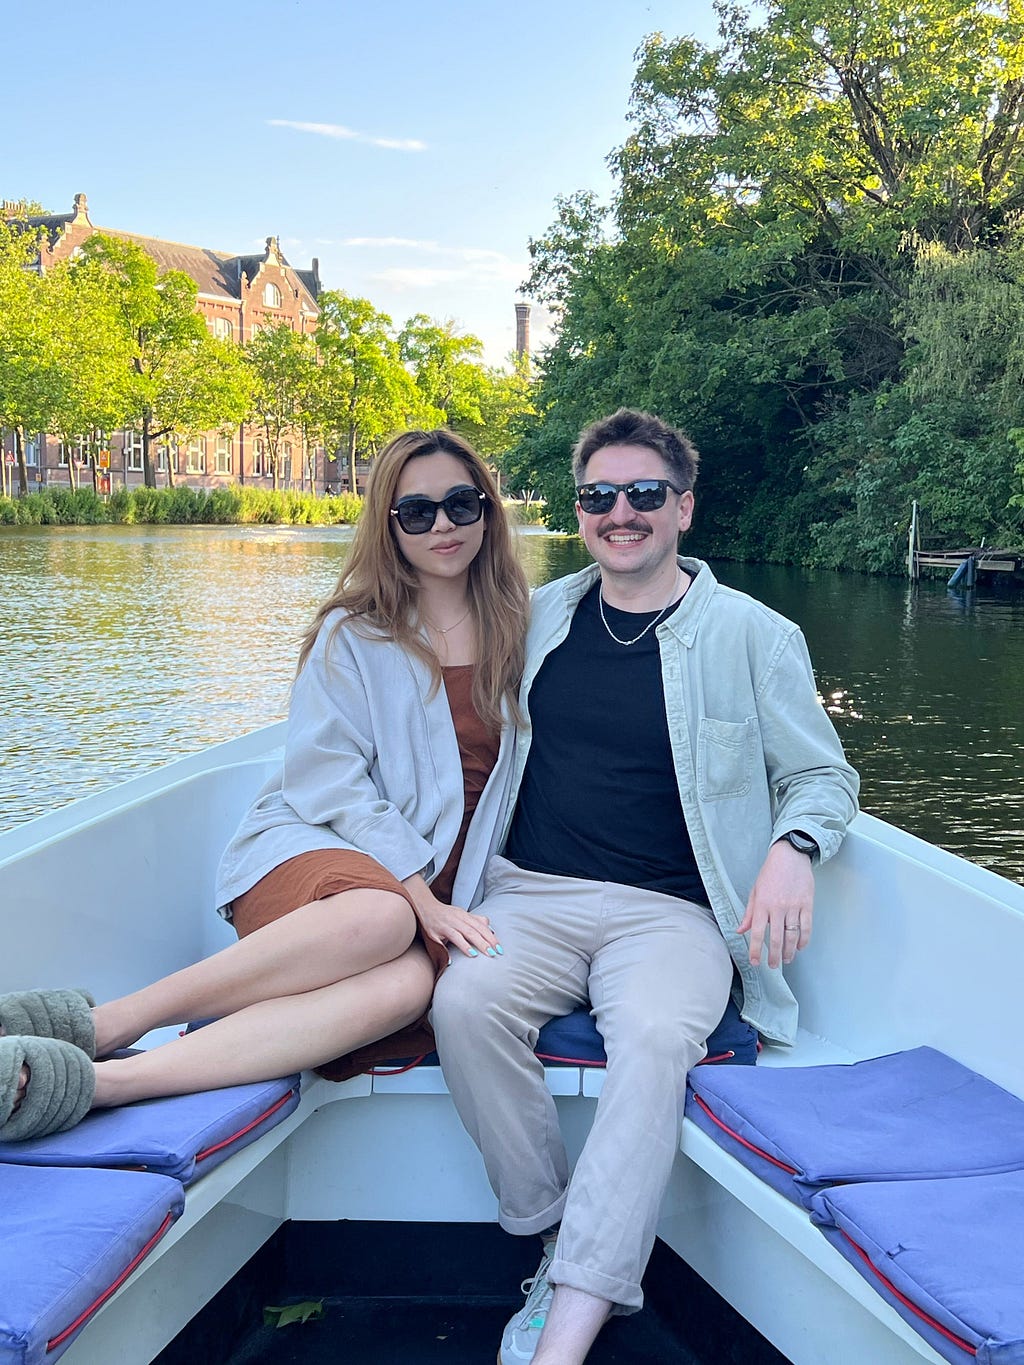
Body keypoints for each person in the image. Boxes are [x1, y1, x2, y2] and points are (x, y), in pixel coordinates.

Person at [431, 408, 860, 1365]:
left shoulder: (756, 634)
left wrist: (793, 846)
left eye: (643, 494)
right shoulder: (539, 617)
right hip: (529, 892)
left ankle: (567, 1332)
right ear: (580, 511)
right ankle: (551, 1235)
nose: (619, 512)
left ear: (683, 509)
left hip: (673, 913)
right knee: (462, 1005)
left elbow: (824, 775)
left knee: (658, 1040)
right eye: (599, 496)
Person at [0, 428, 529, 1140]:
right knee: (383, 919)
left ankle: (102, 1082)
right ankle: (106, 1023)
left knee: (411, 987)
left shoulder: (529, 629)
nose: (442, 525)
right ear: (389, 525)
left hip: (439, 890)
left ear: (488, 514)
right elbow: (329, 781)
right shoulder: (354, 632)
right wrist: (415, 895)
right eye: (417, 511)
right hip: (316, 849)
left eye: (461, 505)